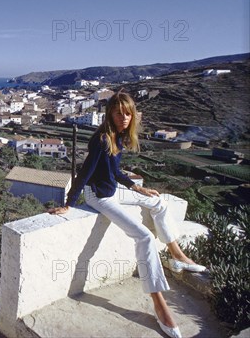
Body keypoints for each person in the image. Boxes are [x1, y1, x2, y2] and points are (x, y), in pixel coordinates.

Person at [48, 91, 205, 338]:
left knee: (159, 203)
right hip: (98, 196)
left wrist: (136, 187)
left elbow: (115, 172)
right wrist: (69, 202)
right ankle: (158, 302)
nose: (124, 117)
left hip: (114, 190)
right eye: (119, 112)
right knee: (143, 237)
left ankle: (177, 255)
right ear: (110, 113)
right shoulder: (101, 139)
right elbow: (84, 173)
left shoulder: (118, 137)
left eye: (128, 113)